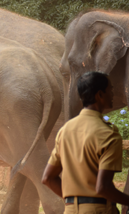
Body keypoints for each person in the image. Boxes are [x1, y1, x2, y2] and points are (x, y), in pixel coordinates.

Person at [42, 71, 129, 214]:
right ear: (99, 95)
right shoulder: (108, 134)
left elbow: (47, 178)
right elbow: (103, 187)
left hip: (70, 210)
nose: (113, 94)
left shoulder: (65, 130)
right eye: (110, 90)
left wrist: (74, 201)